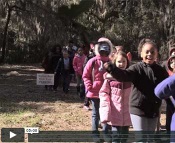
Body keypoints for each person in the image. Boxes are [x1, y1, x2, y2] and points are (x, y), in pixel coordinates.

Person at [104, 38, 169, 142]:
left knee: (149, 139)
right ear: (141, 54)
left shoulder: (161, 71)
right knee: (141, 139)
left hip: (153, 110)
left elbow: (168, 86)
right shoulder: (136, 68)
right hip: (138, 109)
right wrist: (112, 68)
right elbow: (124, 76)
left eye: (152, 52)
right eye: (147, 52)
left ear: (156, 54)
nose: (150, 54)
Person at [82, 37, 113, 141]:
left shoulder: (110, 62)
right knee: (95, 113)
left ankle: (106, 133)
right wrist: (89, 86)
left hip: (107, 93)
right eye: (102, 50)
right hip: (95, 92)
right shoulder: (92, 61)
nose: (104, 52)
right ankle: (95, 134)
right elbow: (85, 75)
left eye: (106, 50)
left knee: (106, 113)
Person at [99, 51, 132, 143]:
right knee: (116, 138)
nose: (121, 64)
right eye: (119, 62)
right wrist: (105, 110)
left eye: (124, 61)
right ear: (115, 63)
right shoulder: (109, 79)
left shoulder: (130, 78)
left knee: (124, 138)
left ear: (127, 62)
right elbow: (103, 93)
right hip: (115, 113)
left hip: (127, 114)